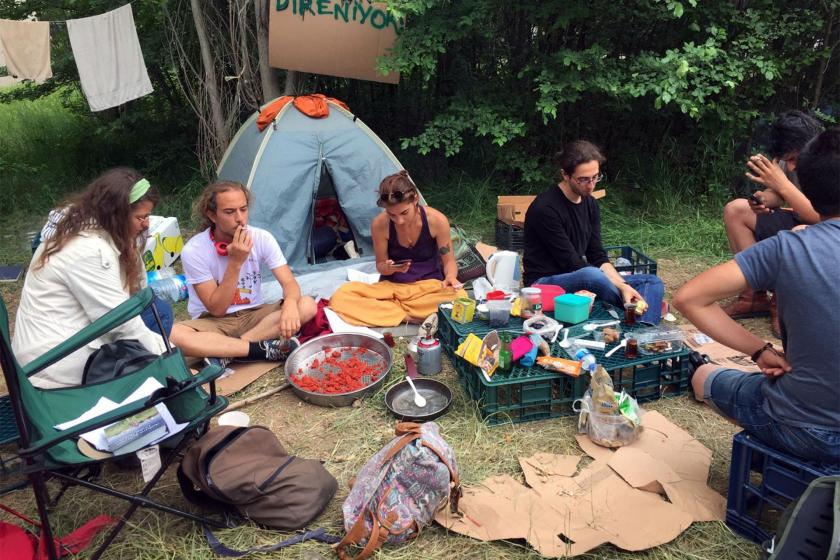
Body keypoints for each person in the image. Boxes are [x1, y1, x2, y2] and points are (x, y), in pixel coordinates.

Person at [673, 127, 840, 465]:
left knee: (705, 376)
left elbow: (688, 298)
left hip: (808, 430)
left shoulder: (790, 248)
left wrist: (759, 350)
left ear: (805, 184)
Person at [13, 168, 168, 389]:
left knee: (159, 312)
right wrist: (170, 358)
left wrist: (130, 246)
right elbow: (121, 322)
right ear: (116, 215)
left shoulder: (87, 227)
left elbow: (140, 292)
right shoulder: (86, 250)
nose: (146, 225)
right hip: (56, 368)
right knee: (158, 326)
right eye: (141, 217)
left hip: (63, 348)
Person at [169, 181, 317, 366]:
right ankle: (260, 350)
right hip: (214, 322)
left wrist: (290, 305)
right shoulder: (194, 250)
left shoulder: (262, 238)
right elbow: (217, 309)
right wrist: (235, 263)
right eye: (229, 212)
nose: (240, 218)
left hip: (254, 316)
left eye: (243, 209)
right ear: (212, 215)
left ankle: (228, 352)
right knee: (174, 335)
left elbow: (289, 283)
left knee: (307, 305)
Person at [523, 140, 663, 323]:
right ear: (565, 174)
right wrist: (621, 286)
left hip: (579, 274)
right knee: (592, 275)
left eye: (595, 177)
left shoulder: (590, 204)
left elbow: (597, 255)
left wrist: (623, 284)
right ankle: (634, 318)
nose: (591, 185)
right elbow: (571, 262)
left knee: (651, 281)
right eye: (583, 180)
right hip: (544, 284)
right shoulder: (545, 209)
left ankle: (643, 330)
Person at [722, 110, 824, 328]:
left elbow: (819, 215)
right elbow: (778, 194)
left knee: (802, 230)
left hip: (827, 232)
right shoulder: (788, 160)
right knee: (735, 210)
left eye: (795, 159)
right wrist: (764, 199)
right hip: (799, 219)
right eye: (787, 161)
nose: (792, 166)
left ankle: (782, 303)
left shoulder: (831, 158)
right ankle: (753, 297)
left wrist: (783, 185)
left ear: (812, 145)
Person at [329, 171, 466, 326]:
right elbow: (381, 267)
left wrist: (451, 277)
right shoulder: (380, 225)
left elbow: (448, 262)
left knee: (460, 296)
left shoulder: (437, 221)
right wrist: (390, 268)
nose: (399, 220)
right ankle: (409, 317)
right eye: (392, 214)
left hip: (428, 287)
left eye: (404, 213)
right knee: (340, 297)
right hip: (392, 289)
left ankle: (390, 314)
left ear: (416, 199)